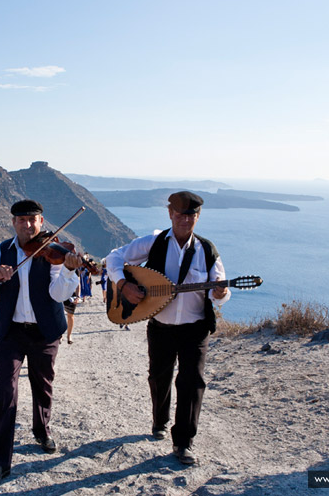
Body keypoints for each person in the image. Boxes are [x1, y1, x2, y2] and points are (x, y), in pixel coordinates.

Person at [105, 191, 230, 465]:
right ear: (170, 214)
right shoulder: (154, 243)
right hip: (160, 326)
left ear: (198, 217)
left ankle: (183, 442)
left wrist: (220, 293)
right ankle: (159, 420)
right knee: (159, 378)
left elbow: (218, 288)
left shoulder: (207, 250)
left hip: (194, 329)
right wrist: (124, 285)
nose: (186, 220)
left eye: (191, 215)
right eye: (180, 214)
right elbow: (114, 258)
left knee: (192, 383)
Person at [0, 200, 82, 482]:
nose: (27, 225)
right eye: (21, 220)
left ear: (41, 222)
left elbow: (58, 294)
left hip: (45, 331)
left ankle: (42, 431)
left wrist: (68, 271)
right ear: (13, 222)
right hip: (11, 332)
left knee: (43, 385)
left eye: (33, 220)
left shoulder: (53, 251)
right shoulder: (3, 250)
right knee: (4, 391)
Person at [63, 277, 81, 345]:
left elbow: (78, 284)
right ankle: (60, 335)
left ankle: (69, 335)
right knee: (59, 315)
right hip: (60, 294)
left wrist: (78, 296)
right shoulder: (60, 267)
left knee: (70, 315)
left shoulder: (76, 269)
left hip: (72, 295)